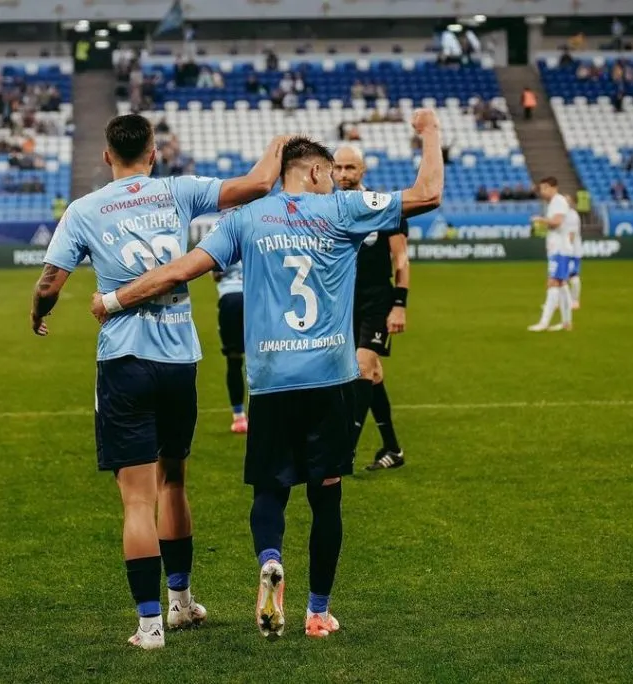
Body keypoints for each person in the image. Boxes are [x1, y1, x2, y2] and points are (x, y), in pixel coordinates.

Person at [88, 110, 443, 641]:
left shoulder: (246, 219)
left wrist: (114, 298)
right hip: (330, 378)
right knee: (327, 497)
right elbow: (428, 193)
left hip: (273, 384)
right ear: (319, 174)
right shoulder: (342, 209)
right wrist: (431, 132)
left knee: (270, 493)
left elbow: (179, 271)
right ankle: (317, 612)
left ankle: (270, 558)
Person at [28, 113, 285, 650]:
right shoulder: (176, 191)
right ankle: (182, 602)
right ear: (153, 152)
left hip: (124, 360)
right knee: (174, 482)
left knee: (136, 501)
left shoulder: (84, 209)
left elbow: (51, 281)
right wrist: (280, 142)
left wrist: (39, 309)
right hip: (179, 361)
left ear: (106, 157)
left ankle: (149, 626)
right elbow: (260, 183)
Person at [332, 144, 410, 471]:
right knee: (373, 374)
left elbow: (401, 258)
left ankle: (343, 453)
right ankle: (393, 449)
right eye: (339, 168)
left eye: (351, 168)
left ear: (363, 171)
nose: (344, 175)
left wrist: (399, 305)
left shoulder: (385, 207)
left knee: (362, 368)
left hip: (378, 299)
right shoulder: (328, 209)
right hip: (343, 302)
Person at [528, 177, 574, 332]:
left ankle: (544, 322)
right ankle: (567, 323)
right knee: (561, 284)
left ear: (551, 187)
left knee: (553, 283)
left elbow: (557, 222)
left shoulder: (558, 201)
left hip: (560, 249)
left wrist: (540, 220)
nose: (542, 192)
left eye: (543, 188)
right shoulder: (554, 202)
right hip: (559, 248)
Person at [214, 261, 247, 433]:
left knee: (234, 359)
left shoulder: (226, 239)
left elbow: (216, 275)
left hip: (229, 300)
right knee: (264, 355)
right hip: (252, 298)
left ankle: (239, 417)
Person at [565, 195, 583, 310]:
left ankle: (575, 301)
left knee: (573, 277)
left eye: (567, 201)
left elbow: (571, 235)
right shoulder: (564, 215)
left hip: (572, 251)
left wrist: (565, 248)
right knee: (561, 277)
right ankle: (562, 301)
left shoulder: (572, 215)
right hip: (567, 251)